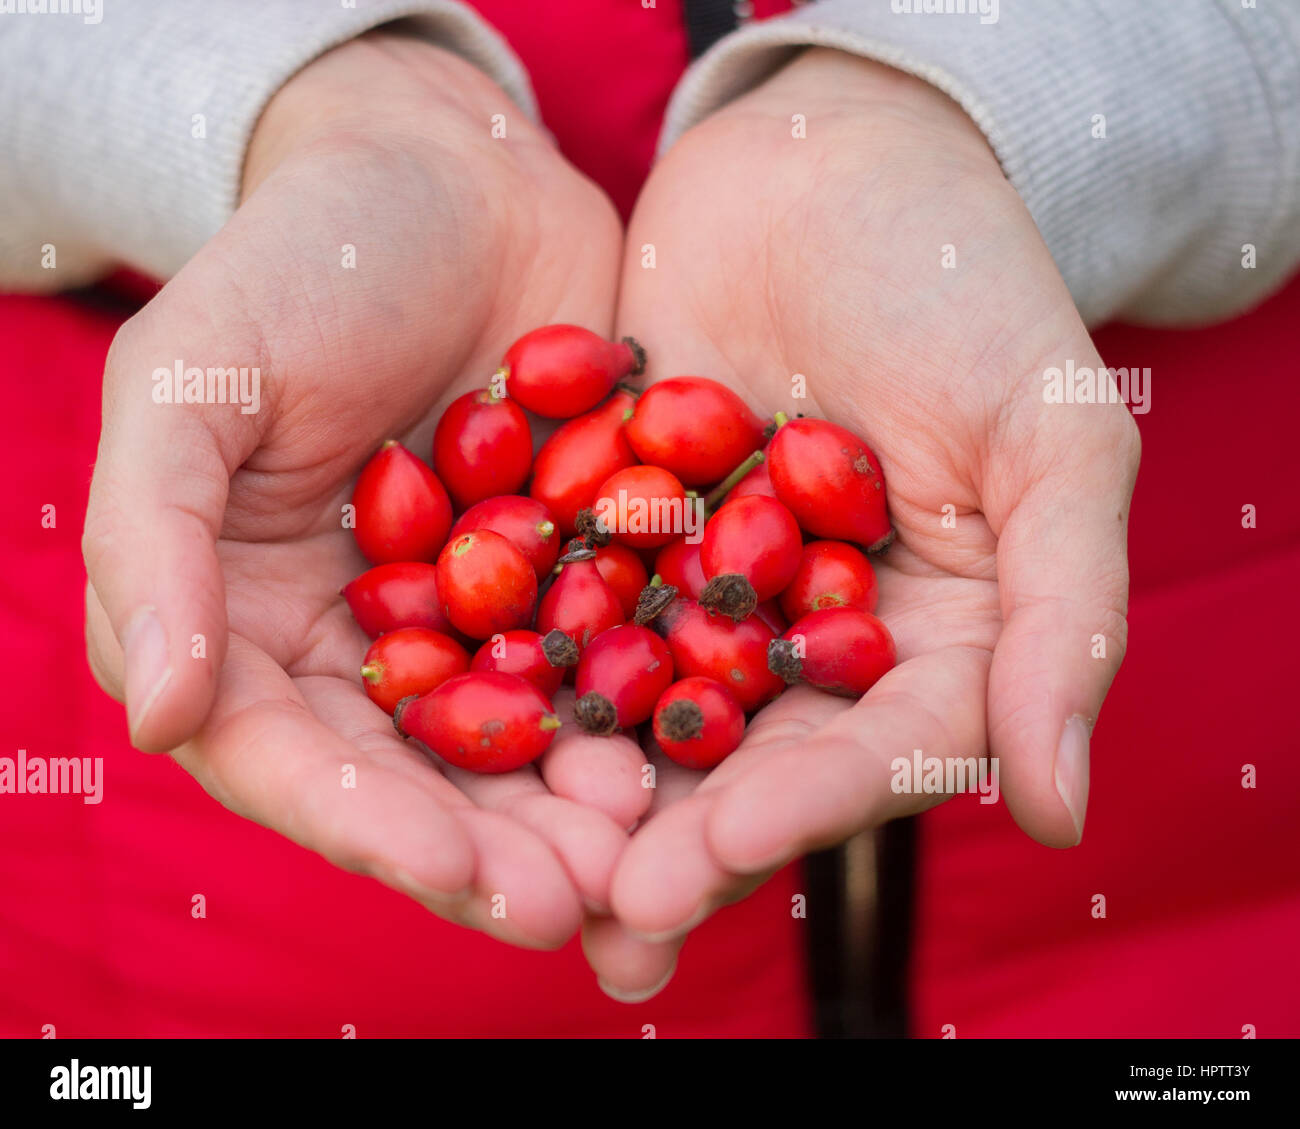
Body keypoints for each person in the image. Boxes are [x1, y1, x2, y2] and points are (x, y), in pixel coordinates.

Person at [1, 0, 1296, 1032]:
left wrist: (973, 107)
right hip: (213, 959)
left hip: (1187, 898)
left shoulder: (639, 542)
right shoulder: (566, 547)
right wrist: (297, 104)